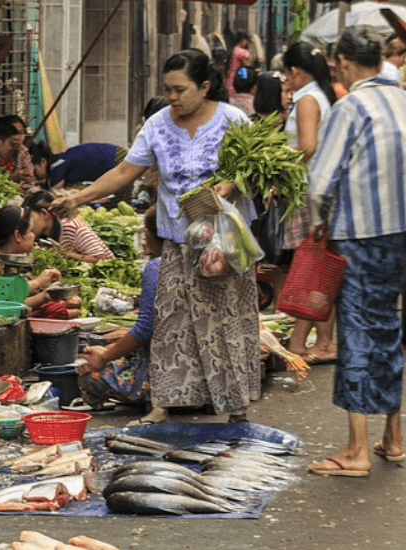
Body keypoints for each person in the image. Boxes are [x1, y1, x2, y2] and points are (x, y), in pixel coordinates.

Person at [50, 49, 261, 425]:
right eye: (167, 89)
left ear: (206, 86)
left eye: (180, 89)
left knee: (228, 319)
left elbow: (255, 169)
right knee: (172, 320)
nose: (173, 97)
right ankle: (165, 402)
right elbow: (125, 170)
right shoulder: (158, 125)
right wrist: (78, 198)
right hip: (179, 241)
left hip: (224, 243)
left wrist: (231, 185)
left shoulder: (234, 120)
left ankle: (236, 406)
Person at [305, 30, 406, 478]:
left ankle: (356, 451)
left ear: (344, 63)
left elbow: (320, 180)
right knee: (385, 328)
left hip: (358, 234)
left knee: (358, 333)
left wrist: (317, 224)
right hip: (400, 236)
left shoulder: (349, 107)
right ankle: (394, 437)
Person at [279, 42, 337, 365]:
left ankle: (315, 341)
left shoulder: (308, 100)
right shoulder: (317, 96)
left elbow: (307, 147)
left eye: (287, 75)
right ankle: (308, 340)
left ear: (295, 72)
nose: (286, 82)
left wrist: (274, 162)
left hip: (307, 192)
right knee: (312, 267)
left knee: (311, 268)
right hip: (313, 191)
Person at [72, 209, 163, 412]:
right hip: (203, 376)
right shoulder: (200, 261)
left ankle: (146, 393)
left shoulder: (156, 268)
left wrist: (104, 356)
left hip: (165, 377)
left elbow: (145, 329)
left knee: (88, 374)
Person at [0, 205, 69, 317]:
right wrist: (37, 283)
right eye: (30, 231)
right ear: (18, 235)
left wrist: (44, 296)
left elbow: (13, 302)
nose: (33, 236)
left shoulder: (9, 259)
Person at [23, 191, 115, 263]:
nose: (27, 223)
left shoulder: (74, 228)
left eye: (30, 217)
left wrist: (66, 254)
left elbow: (101, 260)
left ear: (44, 214)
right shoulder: (45, 236)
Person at [0, 115, 36, 186]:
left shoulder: (23, 151)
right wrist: (10, 178)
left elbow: (30, 180)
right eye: (13, 133)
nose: (17, 137)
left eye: (20, 133)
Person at [225, 32, 251, 98]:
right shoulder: (241, 52)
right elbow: (247, 66)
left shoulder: (234, 49)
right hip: (239, 78)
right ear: (243, 40)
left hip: (230, 77)